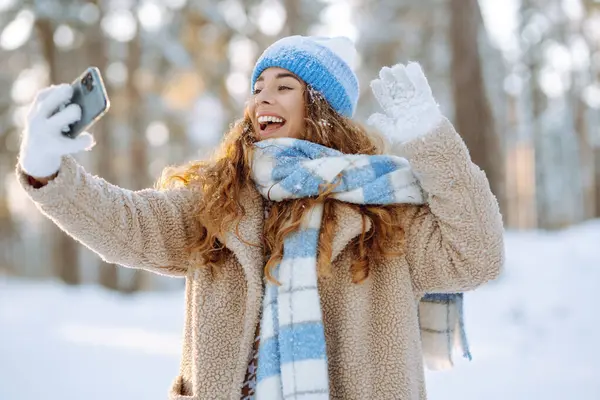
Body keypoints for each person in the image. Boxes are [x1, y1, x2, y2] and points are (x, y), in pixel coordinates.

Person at [16, 35, 504, 400]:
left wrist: (433, 142)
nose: (262, 98)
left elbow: (477, 256)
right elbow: (130, 225)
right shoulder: (219, 200)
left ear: (321, 106)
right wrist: (49, 173)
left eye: (284, 86)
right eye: (258, 86)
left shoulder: (385, 212)